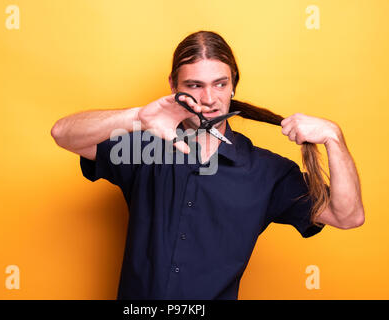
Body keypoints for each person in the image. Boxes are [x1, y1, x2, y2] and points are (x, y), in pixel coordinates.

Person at [50, 31, 365, 300]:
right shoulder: (142, 148)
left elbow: (347, 215)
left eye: (219, 84)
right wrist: (136, 118)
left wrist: (334, 138)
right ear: (173, 86)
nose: (209, 98)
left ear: (233, 86)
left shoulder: (267, 173)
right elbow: (63, 134)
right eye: (195, 85)